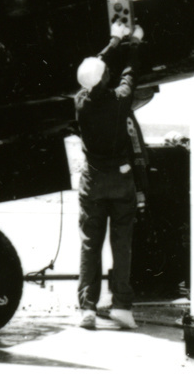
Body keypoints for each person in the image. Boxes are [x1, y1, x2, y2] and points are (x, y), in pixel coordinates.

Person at [74, 24, 149, 332]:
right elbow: (130, 73)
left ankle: (88, 308)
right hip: (121, 183)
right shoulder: (120, 101)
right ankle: (122, 307)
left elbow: (92, 72)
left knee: (90, 245)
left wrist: (112, 41)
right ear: (105, 79)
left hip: (92, 182)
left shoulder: (81, 102)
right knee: (122, 245)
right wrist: (133, 43)